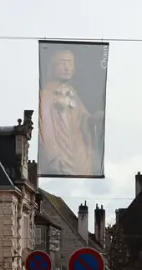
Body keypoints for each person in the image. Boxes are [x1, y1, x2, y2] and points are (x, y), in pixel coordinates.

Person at [38, 49, 103, 177]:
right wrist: (53, 156)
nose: (67, 67)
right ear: (53, 67)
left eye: (70, 63)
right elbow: (45, 128)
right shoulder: (45, 95)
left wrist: (92, 119)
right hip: (60, 153)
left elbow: (82, 118)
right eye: (62, 62)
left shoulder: (73, 94)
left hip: (77, 151)